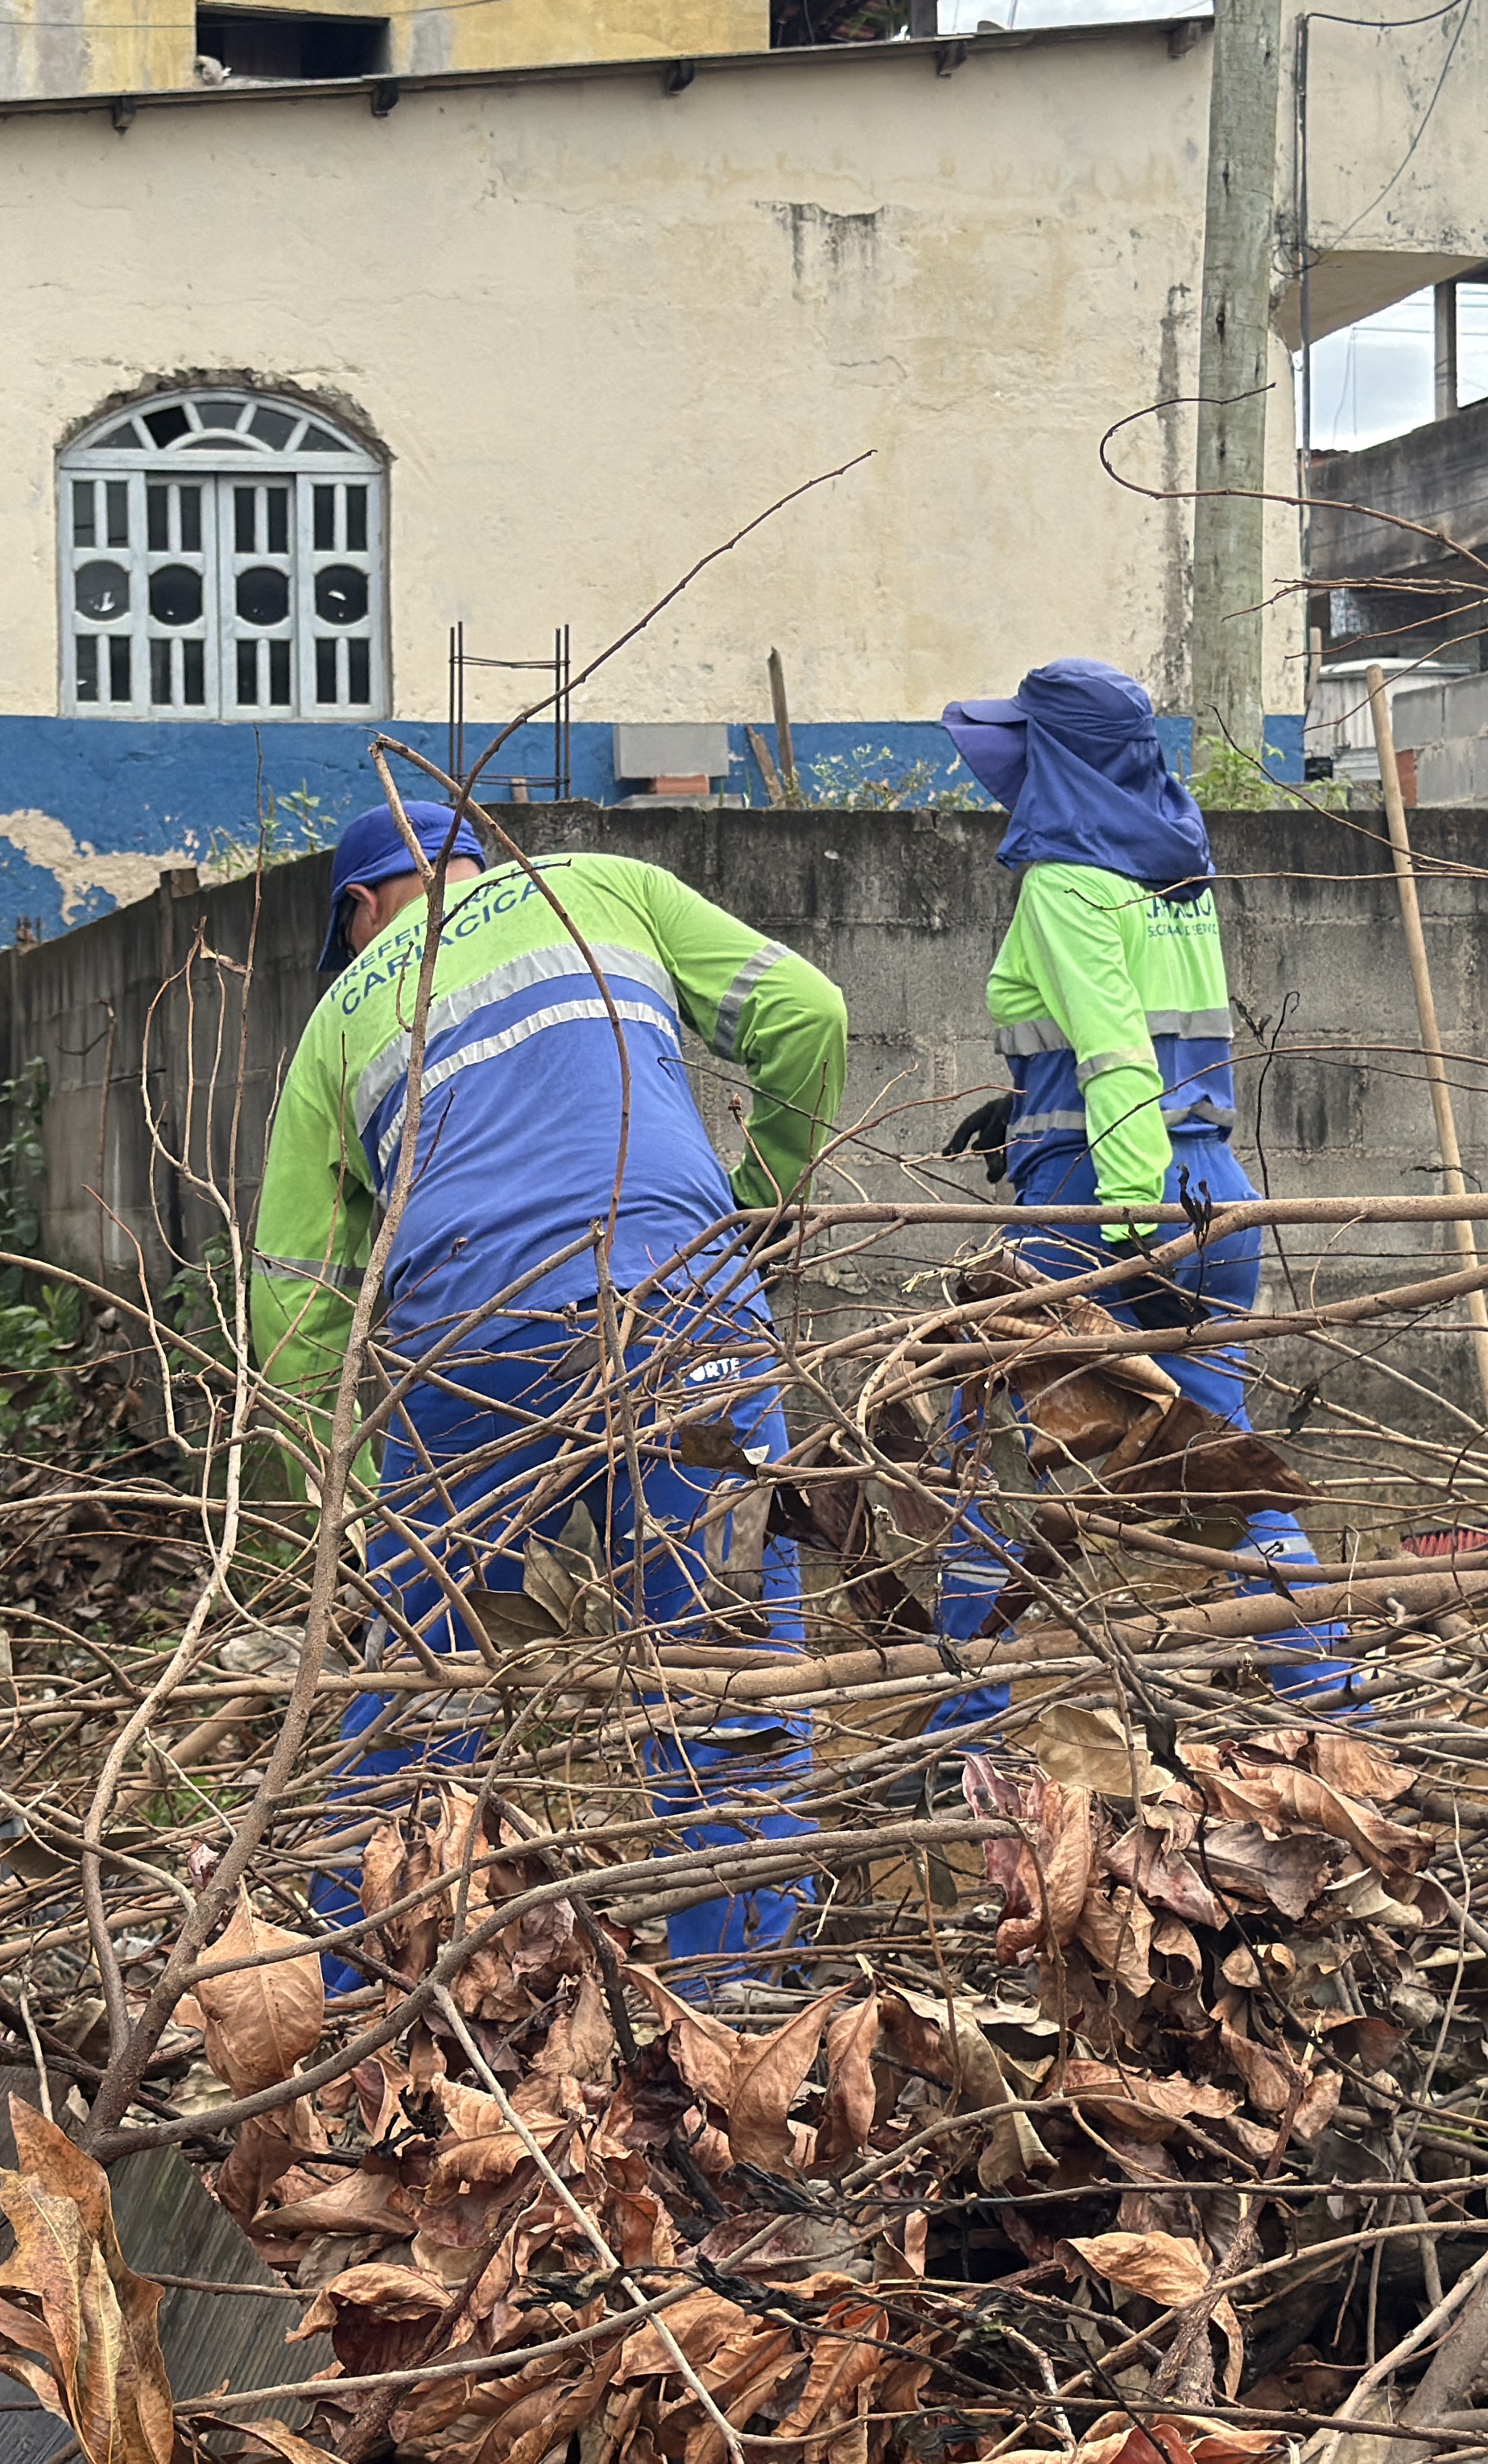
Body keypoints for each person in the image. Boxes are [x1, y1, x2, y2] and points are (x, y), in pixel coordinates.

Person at [249, 789, 845, 1969]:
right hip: (689, 1313)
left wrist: (349, 1491)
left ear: (362, 908)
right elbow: (807, 1012)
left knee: (426, 1676)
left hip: (472, 1343)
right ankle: (738, 2005)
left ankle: (361, 1998)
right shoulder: (607, 884)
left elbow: (292, 1291)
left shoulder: (338, 1019)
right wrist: (761, 1204)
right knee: (725, 1662)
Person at [929, 659, 1353, 1709]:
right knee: (1231, 1471)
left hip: (1105, 1202)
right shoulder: (1172, 876)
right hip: (1212, 1191)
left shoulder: (1065, 882)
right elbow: (1158, 1050)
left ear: (1053, 760)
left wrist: (1125, 1229)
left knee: (981, 1454)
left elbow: (1118, 1054)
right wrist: (1026, 1107)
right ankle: (1332, 1698)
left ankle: (959, 1731)